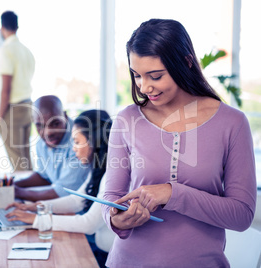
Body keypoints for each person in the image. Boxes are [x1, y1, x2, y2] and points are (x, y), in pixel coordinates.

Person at [102, 19, 257, 268]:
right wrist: (118, 219)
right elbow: (112, 197)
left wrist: (172, 193)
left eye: (155, 76)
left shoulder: (232, 123)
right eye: (137, 75)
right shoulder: (126, 119)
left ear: (185, 62)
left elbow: (241, 216)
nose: (144, 87)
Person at [6, 109, 115, 268]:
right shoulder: (98, 169)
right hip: (101, 250)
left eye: (77, 142)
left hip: (110, 258)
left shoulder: (111, 177)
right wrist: (37, 207)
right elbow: (76, 200)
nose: (73, 149)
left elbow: (88, 224)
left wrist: (36, 220)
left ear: (94, 141)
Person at [14, 95, 90, 201]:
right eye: (40, 126)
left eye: (55, 124)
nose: (48, 132)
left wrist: (16, 192)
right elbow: (44, 177)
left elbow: (62, 192)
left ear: (65, 116)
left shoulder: (80, 144)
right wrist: (12, 185)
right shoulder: (42, 142)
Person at [0, 10, 35, 171]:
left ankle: (24, 195)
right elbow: (19, 77)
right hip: (27, 106)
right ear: (17, 26)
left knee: (17, 159)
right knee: (24, 156)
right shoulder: (26, 51)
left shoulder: (5, 51)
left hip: (13, 110)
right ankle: (32, 194)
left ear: (2, 27)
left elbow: (6, 90)